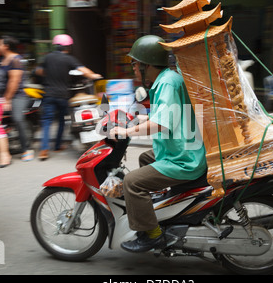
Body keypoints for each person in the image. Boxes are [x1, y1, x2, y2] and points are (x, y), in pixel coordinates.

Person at [110, 35, 207, 253]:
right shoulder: (168, 78)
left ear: (146, 64)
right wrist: (134, 119)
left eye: (135, 63)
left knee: (132, 183)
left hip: (184, 159)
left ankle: (153, 235)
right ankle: (160, 210)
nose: (133, 68)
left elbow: (161, 123)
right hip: (186, 149)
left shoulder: (166, 83)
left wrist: (127, 130)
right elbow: (165, 116)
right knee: (146, 158)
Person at [36, 34, 102, 161]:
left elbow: (39, 71)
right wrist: (94, 76)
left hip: (48, 94)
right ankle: (57, 146)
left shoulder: (47, 57)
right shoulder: (69, 59)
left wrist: (50, 74)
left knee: (47, 122)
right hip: (62, 95)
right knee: (62, 120)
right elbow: (83, 70)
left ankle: (44, 150)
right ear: (68, 47)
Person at [0, 35, 34, 162]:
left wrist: (7, 99)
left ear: (6, 46)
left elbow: (14, 82)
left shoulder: (16, 59)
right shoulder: (2, 59)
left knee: (17, 118)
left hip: (17, 96)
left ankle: (26, 149)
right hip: (2, 95)